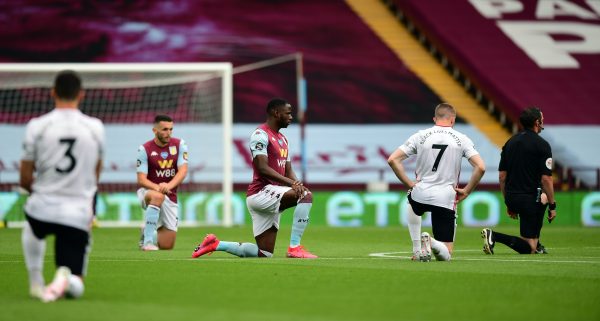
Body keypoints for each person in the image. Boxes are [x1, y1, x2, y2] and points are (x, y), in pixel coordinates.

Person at [192, 98, 317, 259]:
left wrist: (297, 183)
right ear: (276, 113)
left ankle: (216, 244)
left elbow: (288, 170)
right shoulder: (260, 134)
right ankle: (294, 247)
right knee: (305, 196)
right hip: (261, 192)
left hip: (272, 194)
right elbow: (262, 168)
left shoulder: (283, 140)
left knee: (264, 253)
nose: (291, 117)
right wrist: (293, 185)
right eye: (288, 113)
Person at [20, 70, 105, 302]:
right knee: (77, 285)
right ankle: (65, 275)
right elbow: (96, 172)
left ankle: (36, 280)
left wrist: (42, 189)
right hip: (77, 213)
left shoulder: (37, 125)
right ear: (81, 94)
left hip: (42, 207)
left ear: (53, 93)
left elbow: (25, 178)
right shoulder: (95, 127)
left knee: (31, 226)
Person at [388, 103, 485, 261]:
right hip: (445, 197)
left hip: (420, 193)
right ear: (452, 120)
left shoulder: (420, 135)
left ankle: (417, 248)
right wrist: (467, 190)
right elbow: (480, 167)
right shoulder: (462, 139)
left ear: (435, 119)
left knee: (411, 200)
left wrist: (409, 184)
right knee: (446, 255)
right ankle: (431, 241)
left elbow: (393, 159)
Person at [482, 107, 556, 255]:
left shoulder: (510, 142)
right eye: (542, 119)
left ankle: (536, 241)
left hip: (512, 197)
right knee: (529, 249)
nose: (543, 121)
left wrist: (507, 201)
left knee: (532, 244)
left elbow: (502, 176)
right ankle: (495, 236)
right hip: (529, 198)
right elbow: (546, 179)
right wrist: (553, 205)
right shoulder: (542, 144)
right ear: (537, 122)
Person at [136, 115, 188, 251]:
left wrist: (168, 186)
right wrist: (158, 187)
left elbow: (183, 171)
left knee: (166, 246)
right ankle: (147, 242)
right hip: (148, 192)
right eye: (165, 129)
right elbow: (141, 179)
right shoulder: (144, 149)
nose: (168, 133)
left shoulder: (179, 145)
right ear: (155, 130)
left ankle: (146, 229)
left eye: (171, 129)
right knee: (157, 196)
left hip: (170, 195)